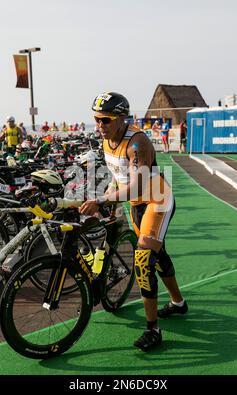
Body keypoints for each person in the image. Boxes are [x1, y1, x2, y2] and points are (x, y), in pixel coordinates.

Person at [80, 92, 188, 352]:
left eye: (105, 120)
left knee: (142, 260)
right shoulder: (107, 141)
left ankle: (153, 329)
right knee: (157, 255)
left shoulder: (137, 143)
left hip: (157, 200)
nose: (100, 126)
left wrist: (104, 201)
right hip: (136, 205)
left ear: (120, 118)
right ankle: (178, 303)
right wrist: (108, 199)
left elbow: (138, 185)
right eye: (97, 119)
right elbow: (120, 178)